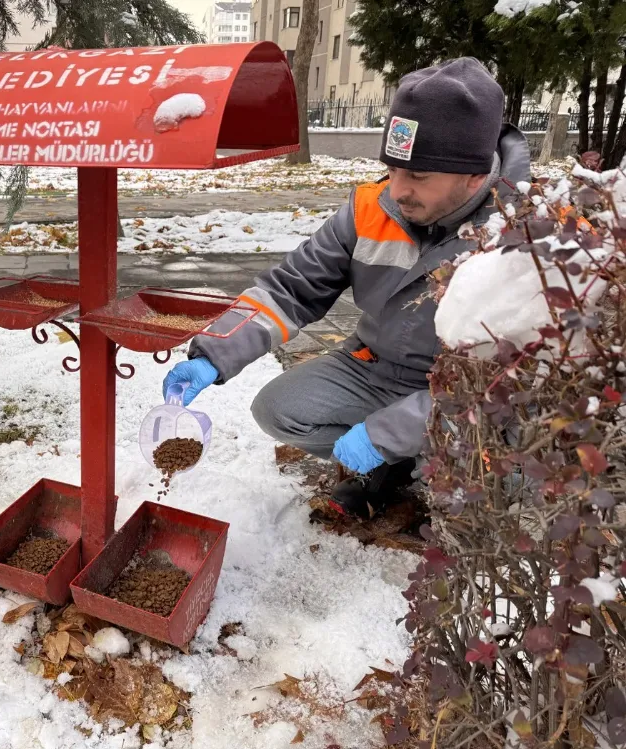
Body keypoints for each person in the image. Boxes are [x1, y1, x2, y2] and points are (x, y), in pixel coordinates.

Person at [162, 57, 531, 519]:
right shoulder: (370, 209)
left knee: (495, 471)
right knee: (278, 409)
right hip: (375, 368)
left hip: (466, 393)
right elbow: (291, 289)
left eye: (418, 176)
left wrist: (392, 431)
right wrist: (215, 354)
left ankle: (430, 467)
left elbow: (512, 384)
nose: (397, 191)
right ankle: (394, 471)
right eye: (393, 169)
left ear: (476, 176)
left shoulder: (522, 235)